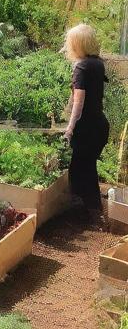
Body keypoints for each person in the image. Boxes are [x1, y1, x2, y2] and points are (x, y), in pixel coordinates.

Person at [62, 23, 108, 216]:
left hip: (86, 129)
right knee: (88, 168)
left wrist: (69, 128)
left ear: (77, 44)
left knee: (79, 171)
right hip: (99, 126)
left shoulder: (81, 66)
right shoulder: (97, 63)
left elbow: (79, 103)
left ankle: (85, 214)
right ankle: (94, 211)